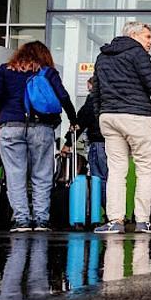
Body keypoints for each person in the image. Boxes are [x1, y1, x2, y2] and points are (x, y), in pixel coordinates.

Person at [91, 22, 151, 234]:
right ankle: (142, 221)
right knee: (145, 168)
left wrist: (100, 115)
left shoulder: (102, 56)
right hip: (136, 116)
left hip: (109, 117)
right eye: (148, 37)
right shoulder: (137, 53)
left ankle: (115, 220)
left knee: (116, 171)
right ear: (133, 35)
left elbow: (96, 91)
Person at [0, 41, 78, 232]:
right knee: (42, 175)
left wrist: (7, 111)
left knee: (15, 175)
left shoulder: (4, 70)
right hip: (41, 127)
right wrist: (73, 118)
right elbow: (63, 96)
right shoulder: (47, 72)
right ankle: (41, 219)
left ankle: (21, 220)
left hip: (11, 127)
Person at [64, 78, 108, 216]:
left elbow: (81, 121)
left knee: (99, 180)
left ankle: (108, 213)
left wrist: (68, 143)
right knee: (111, 178)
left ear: (91, 85)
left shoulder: (93, 100)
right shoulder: (113, 98)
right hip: (113, 143)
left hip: (98, 143)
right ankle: (115, 213)